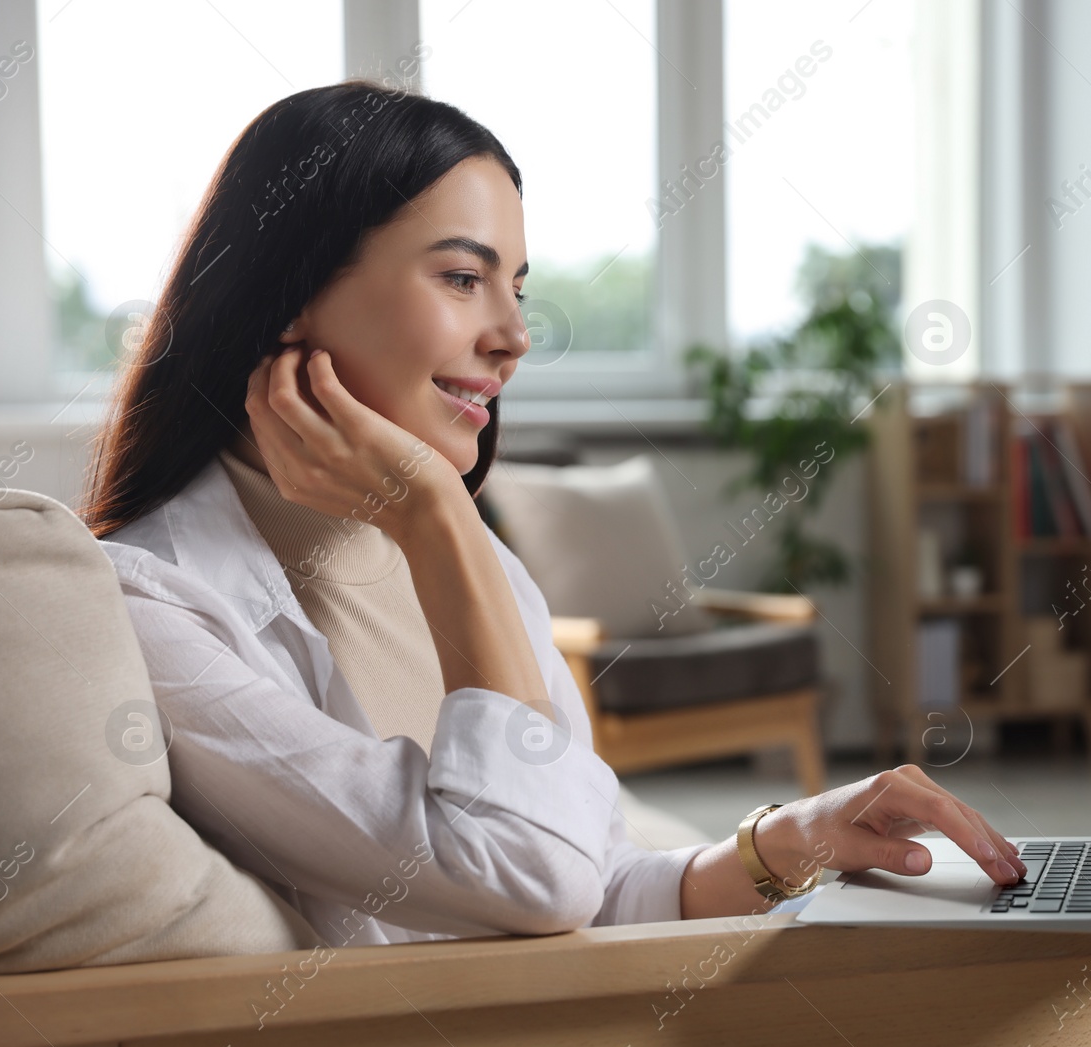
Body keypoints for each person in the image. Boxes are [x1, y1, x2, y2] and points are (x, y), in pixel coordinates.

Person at [82, 80, 1025, 945]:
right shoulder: (154, 609)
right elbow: (529, 876)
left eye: (518, 287)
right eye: (462, 277)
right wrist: (436, 516)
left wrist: (786, 842)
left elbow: (594, 876)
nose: (516, 336)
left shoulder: (468, 565)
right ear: (287, 296)